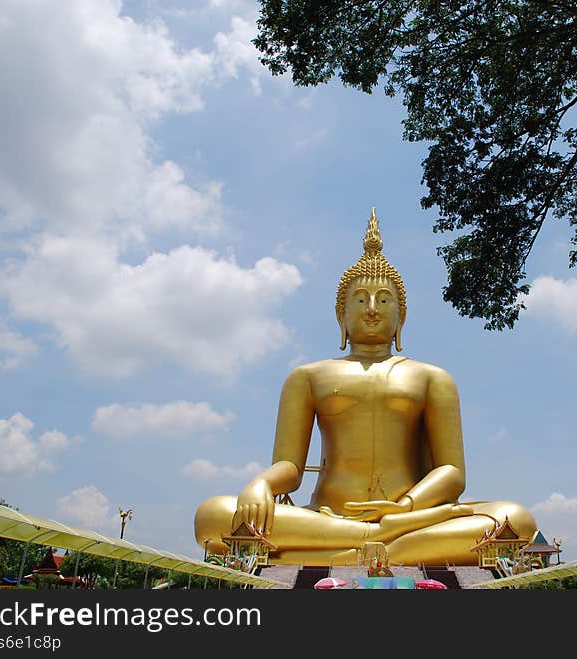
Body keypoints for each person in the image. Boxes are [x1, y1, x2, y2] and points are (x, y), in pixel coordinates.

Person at [194, 210, 536, 565]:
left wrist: (404, 508)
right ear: (340, 315)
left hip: (410, 518)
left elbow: (452, 473)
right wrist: (261, 484)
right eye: (360, 300)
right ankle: (375, 542)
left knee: (515, 519)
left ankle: (352, 548)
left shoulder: (433, 378)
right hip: (327, 517)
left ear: (401, 317)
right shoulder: (307, 376)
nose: (372, 309)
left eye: (385, 300)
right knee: (214, 516)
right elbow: (290, 467)